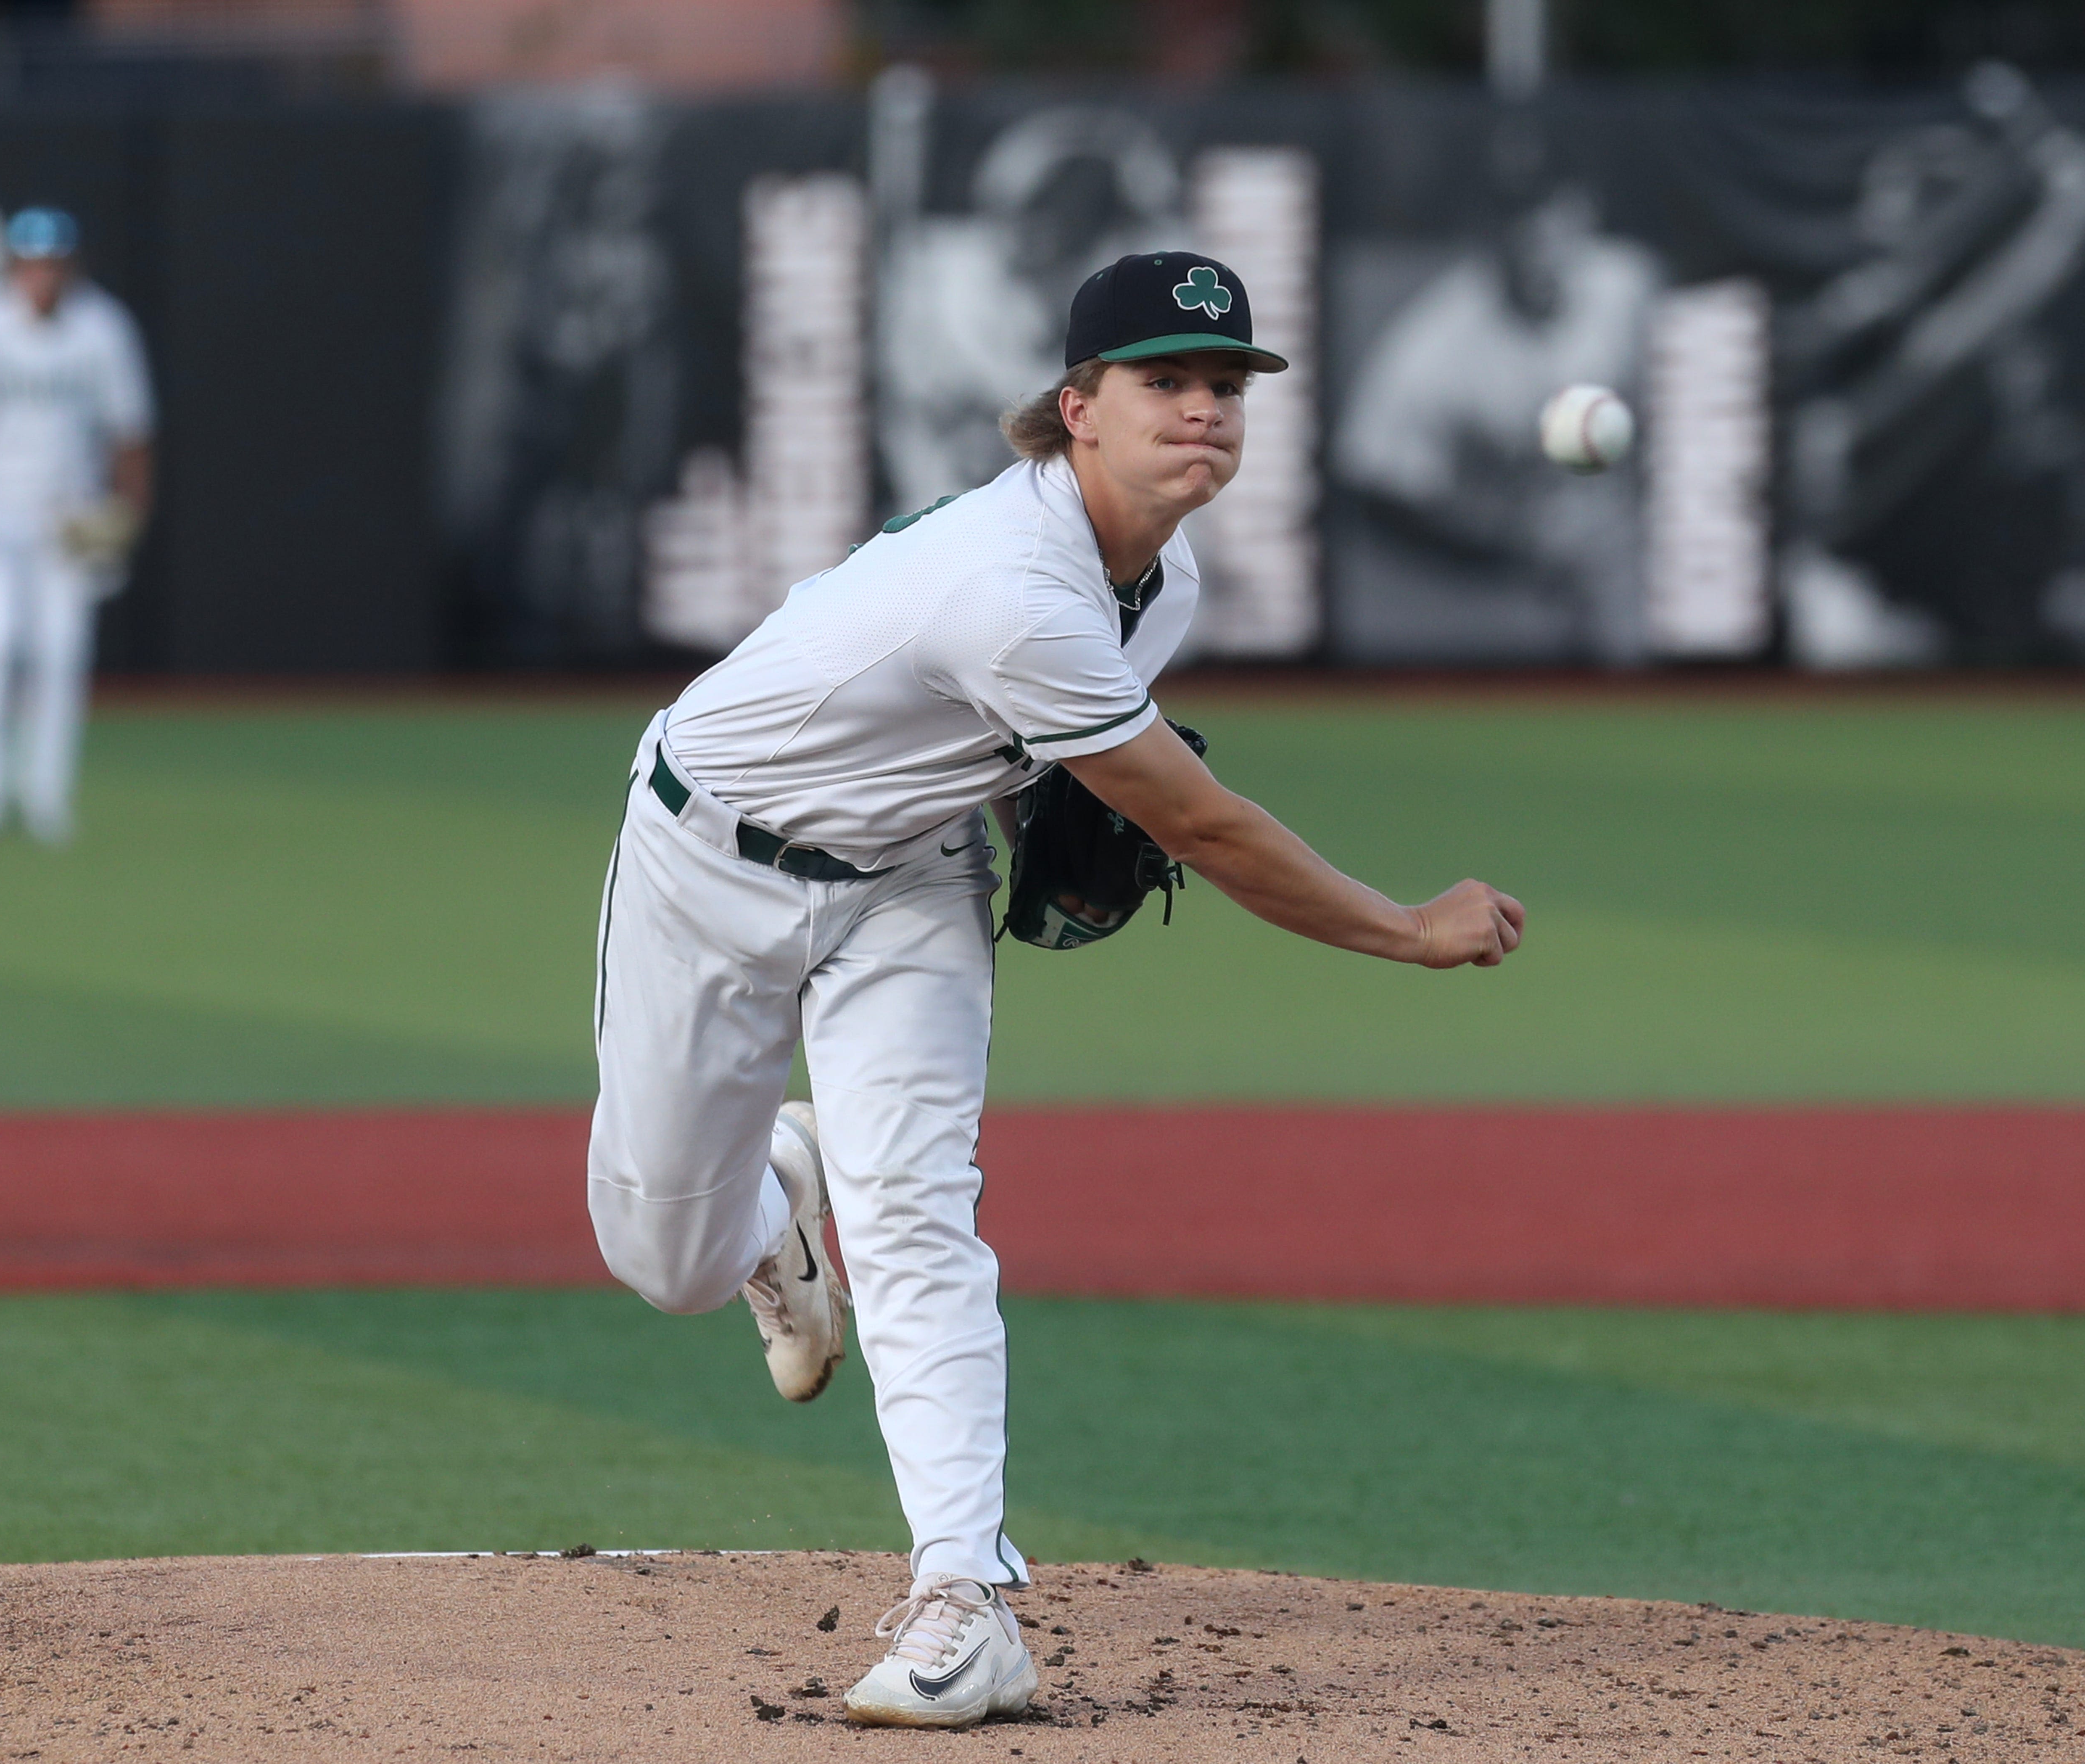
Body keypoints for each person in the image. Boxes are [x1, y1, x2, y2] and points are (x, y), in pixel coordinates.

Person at [587, 250, 1524, 1730]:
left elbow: (1019, 763)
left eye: (1227, 384)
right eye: (1167, 381)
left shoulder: (1168, 578)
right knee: (667, 1258)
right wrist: (1409, 929)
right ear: (1077, 408)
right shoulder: (1014, 584)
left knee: (917, 1207)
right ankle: (774, 1196)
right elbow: (1203, 826)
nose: (1205, 410)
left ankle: (966, 1601)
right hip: (710, 856)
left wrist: (1040, 814)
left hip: (907, 879)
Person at [0, 206, 154, 843]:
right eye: (31, 262)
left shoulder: (103, 329)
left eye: (52, 262)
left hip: (70, 515)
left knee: (59, 654)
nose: (41, 274)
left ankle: (47, 794)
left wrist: (127, 511)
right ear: (13, 265)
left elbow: (131, 432)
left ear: (70, 265)